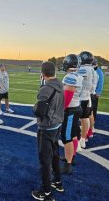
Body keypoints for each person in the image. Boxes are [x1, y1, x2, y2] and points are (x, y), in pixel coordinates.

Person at [32, 61, 64, 201]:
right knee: (55, 154)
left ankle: (46, 193)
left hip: (46, 127)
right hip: (57, 124)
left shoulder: (45, 89)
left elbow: (40, 112)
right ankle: (58, 182)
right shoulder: (60, 84)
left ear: (43, 73)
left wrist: (34, 107)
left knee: (45, 161)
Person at [60, 54, 83, 174]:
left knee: (66, 137)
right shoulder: (78, 75)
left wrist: (60, 110)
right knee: (73, 134)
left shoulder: (70, 77)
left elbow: (67, 97)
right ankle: (72, 156)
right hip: (76, 107)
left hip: (70, 110)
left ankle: (68, 165)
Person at [78, 51, 94, 149]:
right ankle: (83, 139)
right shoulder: (92, 69)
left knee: (77, 119)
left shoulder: (83, 69)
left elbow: (78, 80)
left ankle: (79, 140)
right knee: (85, 118)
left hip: (81, 97)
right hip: (88, 96)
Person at [87, 58, 104, 138]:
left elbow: (100, 82)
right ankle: (90, 126)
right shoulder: (92, 71)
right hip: (89, 93)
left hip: (93, 93)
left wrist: (98, 92)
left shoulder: (98, 72)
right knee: (90, 111)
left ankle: (92, 126)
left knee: (93, 110)